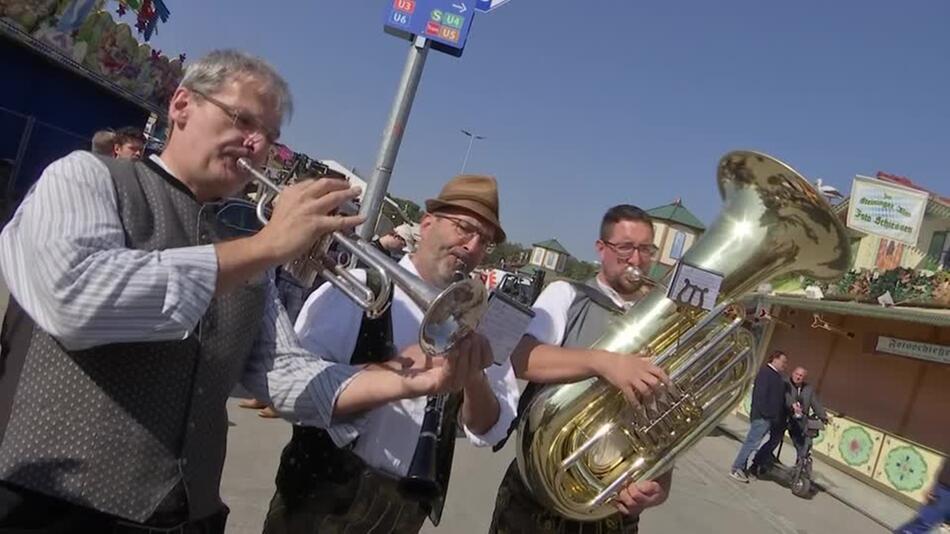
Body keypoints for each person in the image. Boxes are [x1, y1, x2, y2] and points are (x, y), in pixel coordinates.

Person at [0, 49, 483, 533]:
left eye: (269, 136)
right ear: (183, 105)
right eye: (242, 120)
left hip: (189, 517)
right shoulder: (85, 177)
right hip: (48, 507)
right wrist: (268, 246)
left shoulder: (242, 249)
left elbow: (288, 377)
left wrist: (411, 380)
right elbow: (75, 299)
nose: (256, 144)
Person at [263, 175, 517, 533]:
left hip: (405, 509)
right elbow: (297, 387)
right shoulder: (358, 287)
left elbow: (488, 427)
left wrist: (472, 375)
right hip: (322, 499)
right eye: (464, 228)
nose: (471, 246)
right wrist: (400, 370)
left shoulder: (478, 319)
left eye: (484, 241)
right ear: (427, 224)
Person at [489, 204, 672, 534]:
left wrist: (659, 485)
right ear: (601, 249)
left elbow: (666, 417)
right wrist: (603, 362)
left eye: (646, 249)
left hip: (613, 508)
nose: (637, 259)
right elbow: (523, 358)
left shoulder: (665, 324)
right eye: (626, 247)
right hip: (539, 495)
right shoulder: (568, 294)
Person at [729, 350, 789, 482]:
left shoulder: (777, 376)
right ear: (775, 359)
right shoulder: (765, 373)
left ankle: (743, 468)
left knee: (754, 443)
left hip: (768, 418)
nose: (785, 364)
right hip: (762, 417)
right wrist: (766, 414)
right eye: (783, 361)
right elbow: (760, 396)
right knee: (751, 443)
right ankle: (736, 468)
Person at [894, 458, 950, 534]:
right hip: (944, 489)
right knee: (920, 525)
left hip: (943, 490)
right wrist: (933, 486)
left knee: (921, 525)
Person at [785, 366, 829, 462]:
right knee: (774, 440)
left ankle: (800, 465)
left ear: (804, 378)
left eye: (801, 376)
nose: (798, 377)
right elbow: (785, 397)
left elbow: (815, 403)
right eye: (797, 374)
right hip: (785, 417)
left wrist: (823, 416)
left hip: (800, 420)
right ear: (793, 373)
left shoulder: (808, 389)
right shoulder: (785, 383)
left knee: (804, 444)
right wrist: (792, 405)